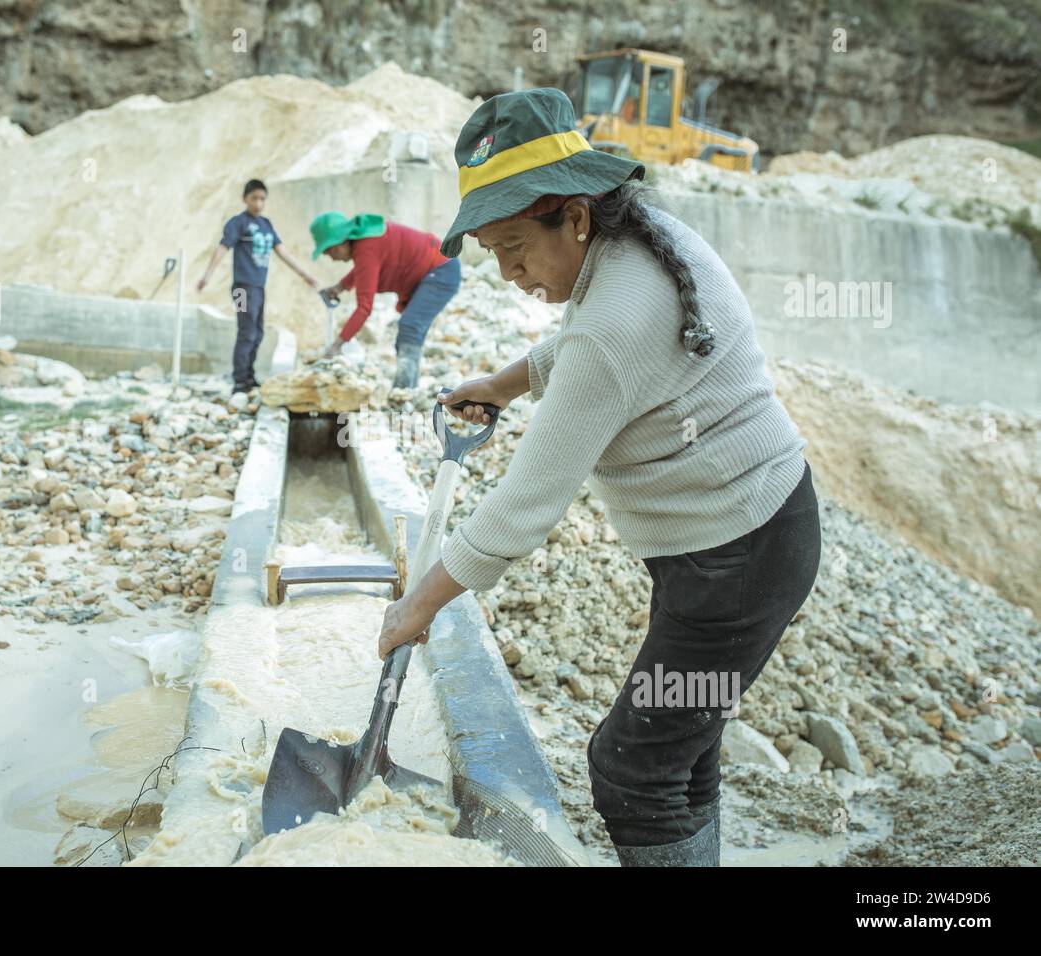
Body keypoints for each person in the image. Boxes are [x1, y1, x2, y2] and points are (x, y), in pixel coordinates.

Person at [375, 89, 821, 867]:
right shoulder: (638, 244)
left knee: (632, 770)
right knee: (684, 748)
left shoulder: (616, 317)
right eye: (492, 254)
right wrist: (505, 383)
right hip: (744, 539)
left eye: (516, 246)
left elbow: (522, 507)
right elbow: (589, 347)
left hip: (737, 561)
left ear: (575, 216)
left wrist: (418, 605)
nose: (509, 271)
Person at [309, 211, 461, 390]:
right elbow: (365, 270)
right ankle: (408, 390)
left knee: (410, 326)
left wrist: (336, 346)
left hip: (440, 269)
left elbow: (364, 309)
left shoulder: (366, 248)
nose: (333, 258)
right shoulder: (365, 241)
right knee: (407, 333)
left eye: (330, 251)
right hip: (436, 269)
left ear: (340, 241)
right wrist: (340, 287)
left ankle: (405, 391)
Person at [197, 179, 320, 393]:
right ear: (245, 199)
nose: (259, 203)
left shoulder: (267, 225)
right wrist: (207, 275)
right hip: (242, 289)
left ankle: (249, 376)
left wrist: (305, 275)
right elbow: (223, 248)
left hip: (257, 288)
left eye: (262, 198)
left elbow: (283, 252)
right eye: (254, 198)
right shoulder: (238, 223)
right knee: (246, 331)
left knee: (258, 332)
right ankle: (240, 381)